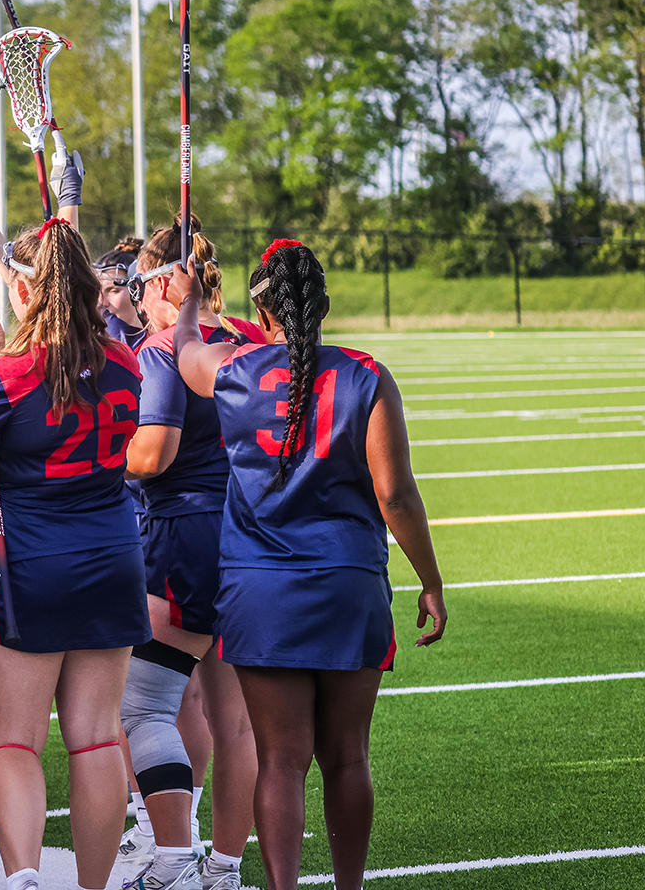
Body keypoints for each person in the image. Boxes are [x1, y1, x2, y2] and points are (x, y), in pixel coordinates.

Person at [171, 239, 446, 890]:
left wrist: (188, 301)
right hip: (348, 585)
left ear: (261, 314)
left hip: (258, 592)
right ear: (321, 304)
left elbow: (183, 352)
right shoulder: (364, 374)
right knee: (348, 759)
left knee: (281, 761)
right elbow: (396, 496)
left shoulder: (231, 370)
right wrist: (430, 580)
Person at [0, 217, 148, 890]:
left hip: (26, 566)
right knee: (94, 736)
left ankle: (26, 875)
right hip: (113, 557)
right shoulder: (126, 362)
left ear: (23, 294)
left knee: (14, 742)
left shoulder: (3, 376)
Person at [118, 223, 265, 890]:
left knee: (142, 704)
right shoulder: (245, 340)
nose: (133, 300)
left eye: (138, 286)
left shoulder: (161, 351)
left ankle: (174, 857)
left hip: (186, 534)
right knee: (233, 719)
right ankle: (226, 867)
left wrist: (96, 460)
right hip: (250, 535)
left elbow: (155, 453)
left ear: (161, 286)